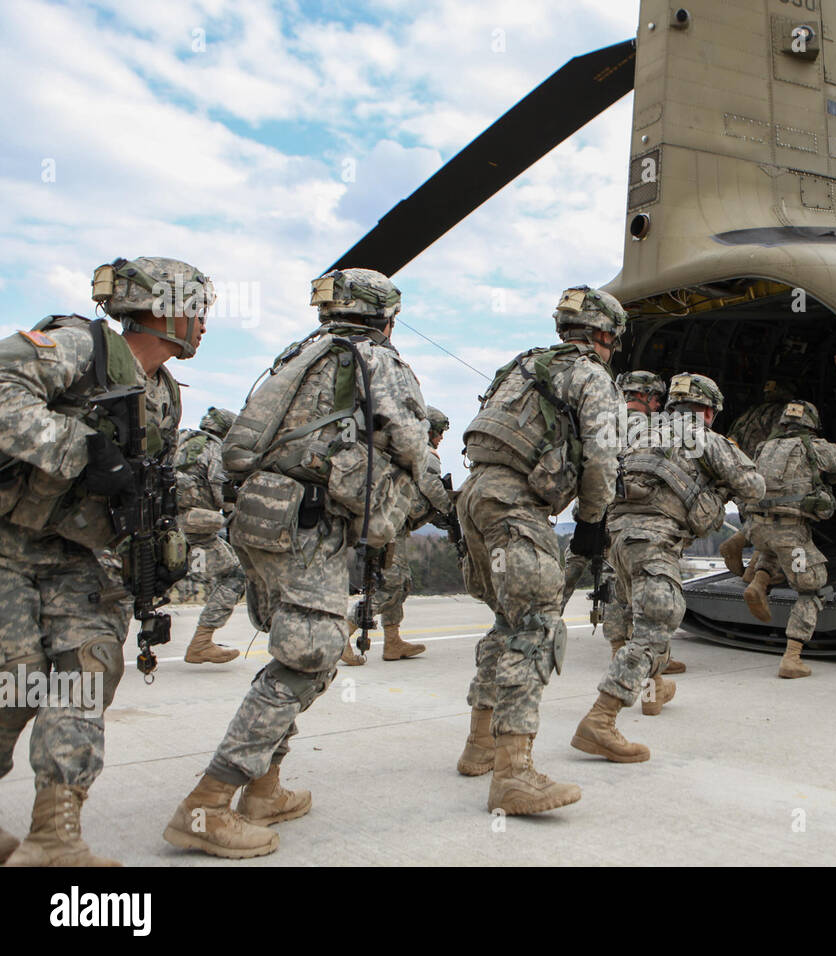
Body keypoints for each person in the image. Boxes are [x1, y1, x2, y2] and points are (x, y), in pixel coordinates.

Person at [164, 267, 436, 858]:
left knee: (298, 648)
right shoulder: (374, 360)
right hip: (307, 521)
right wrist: (440, 494)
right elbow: (411, 438)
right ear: (387, 317)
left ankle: (265, 789)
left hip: (261, 516)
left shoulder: (298, 356)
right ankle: (207, 805)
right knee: (308, 656)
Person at [0, 256, 210, 866]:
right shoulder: (78, 347)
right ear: (166, 310)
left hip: (82, 559)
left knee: (87, 673)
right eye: (197, 311)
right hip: (9, 543)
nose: (202, 326)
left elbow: (150, 483)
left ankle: (54, 836)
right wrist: (79, 448)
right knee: (13, 683)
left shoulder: (164, 395)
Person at [454, 285, 622, 814]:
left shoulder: (522, 366)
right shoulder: (591, 375)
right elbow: (602, 455)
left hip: (475, 495)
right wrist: (593, 520)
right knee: (536, 627)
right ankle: (514, 774)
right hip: (515, 505)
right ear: (602, 335)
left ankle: (480, 745)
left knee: (508, 622)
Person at [570, 373, 764, 762]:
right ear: (708, 411)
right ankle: (601, 720)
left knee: (633, 623)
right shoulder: (706, 439)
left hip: (617, 542)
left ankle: (654, 692)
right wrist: (717, 486)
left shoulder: (635, 433)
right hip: (653, 542)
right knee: (657, 625)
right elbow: (755, 486)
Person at [561, 370, 685, 674]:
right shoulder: (660, 428)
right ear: (652, 399)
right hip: (626, 513)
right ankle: (636, 652)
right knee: (620, 581)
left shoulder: (605, 421)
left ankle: (535, 624)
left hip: (592, 509)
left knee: (570, 569)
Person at [742, 400, 836, 678]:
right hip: (791, 534)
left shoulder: (764, 447)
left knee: (773, 548)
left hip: (757, 530)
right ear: (811, 425)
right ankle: (792, 657)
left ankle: (759, 581)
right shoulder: (815, 447)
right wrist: (831, 477)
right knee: (812, 588)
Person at [341, 405, 452, 665]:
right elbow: (432, 488)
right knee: (391, 585)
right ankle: (343, 631)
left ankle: (392, 641)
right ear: (428, 432)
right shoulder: (422, 454)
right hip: (388, 528)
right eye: (439, 433)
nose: (441, 438)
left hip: (385, 525)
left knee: (399, 583)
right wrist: (452, 509)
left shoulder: (396, 453)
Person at [174, 407, 246, 665]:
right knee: (236, 575)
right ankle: (202, 642)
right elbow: (222, 495)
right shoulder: (215, 450)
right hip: (196, 535)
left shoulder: (180, 440)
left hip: (165, 529)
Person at [718, 380, 796, 576]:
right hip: (760, 475)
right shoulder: (781, 414)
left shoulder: (749, 413)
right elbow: (780, 447)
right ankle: (754, 573)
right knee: (774, 521)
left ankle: (740, 549)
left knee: (759, 521)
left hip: (738, 476)